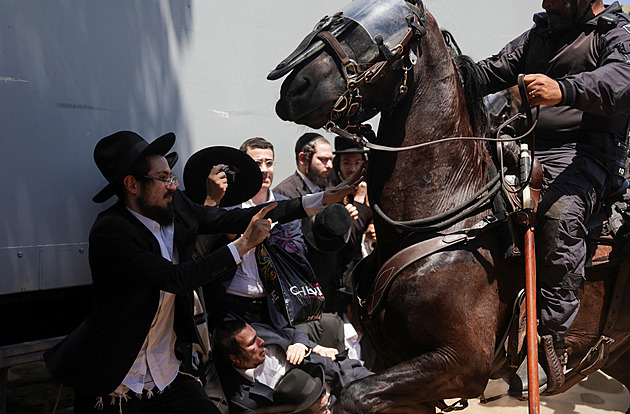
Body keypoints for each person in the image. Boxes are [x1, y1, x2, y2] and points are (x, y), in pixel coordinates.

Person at [43, 130, 360, 413]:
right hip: (115, 379)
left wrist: (318, 200)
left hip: (164, 373)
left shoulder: (174, 206)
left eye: (172, 176)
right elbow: (176, 278)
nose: (173, 185)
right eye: (163, 178)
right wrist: (244, 245)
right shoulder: (111, 231)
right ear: (132, 184)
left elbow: (232, 218)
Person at [473, 0, 630, 395]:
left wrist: (564, 90)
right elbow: (489, 71)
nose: (546, 3)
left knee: (560, 213)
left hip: (589, 155)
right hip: (525, 148)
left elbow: (619, 80)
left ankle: (549, 347)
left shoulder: (617, 32)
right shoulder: (541, 33)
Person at [185, 138, 344, 356]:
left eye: (269, 163)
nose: (264, 170)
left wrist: (264, 238)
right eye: (257, 163)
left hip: (273, 307)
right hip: (228, 308)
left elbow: (297, 253)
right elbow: (199, 251)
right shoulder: (227, 207)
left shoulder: (285, 205)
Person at [211, 320, 372, 413]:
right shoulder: (243, 400)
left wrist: (300, 345)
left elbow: (295, 331)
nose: (261, 342)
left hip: (340, 373)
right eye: (252, 343)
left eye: (257, 337)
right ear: (236, 359)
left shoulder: (261, 332)